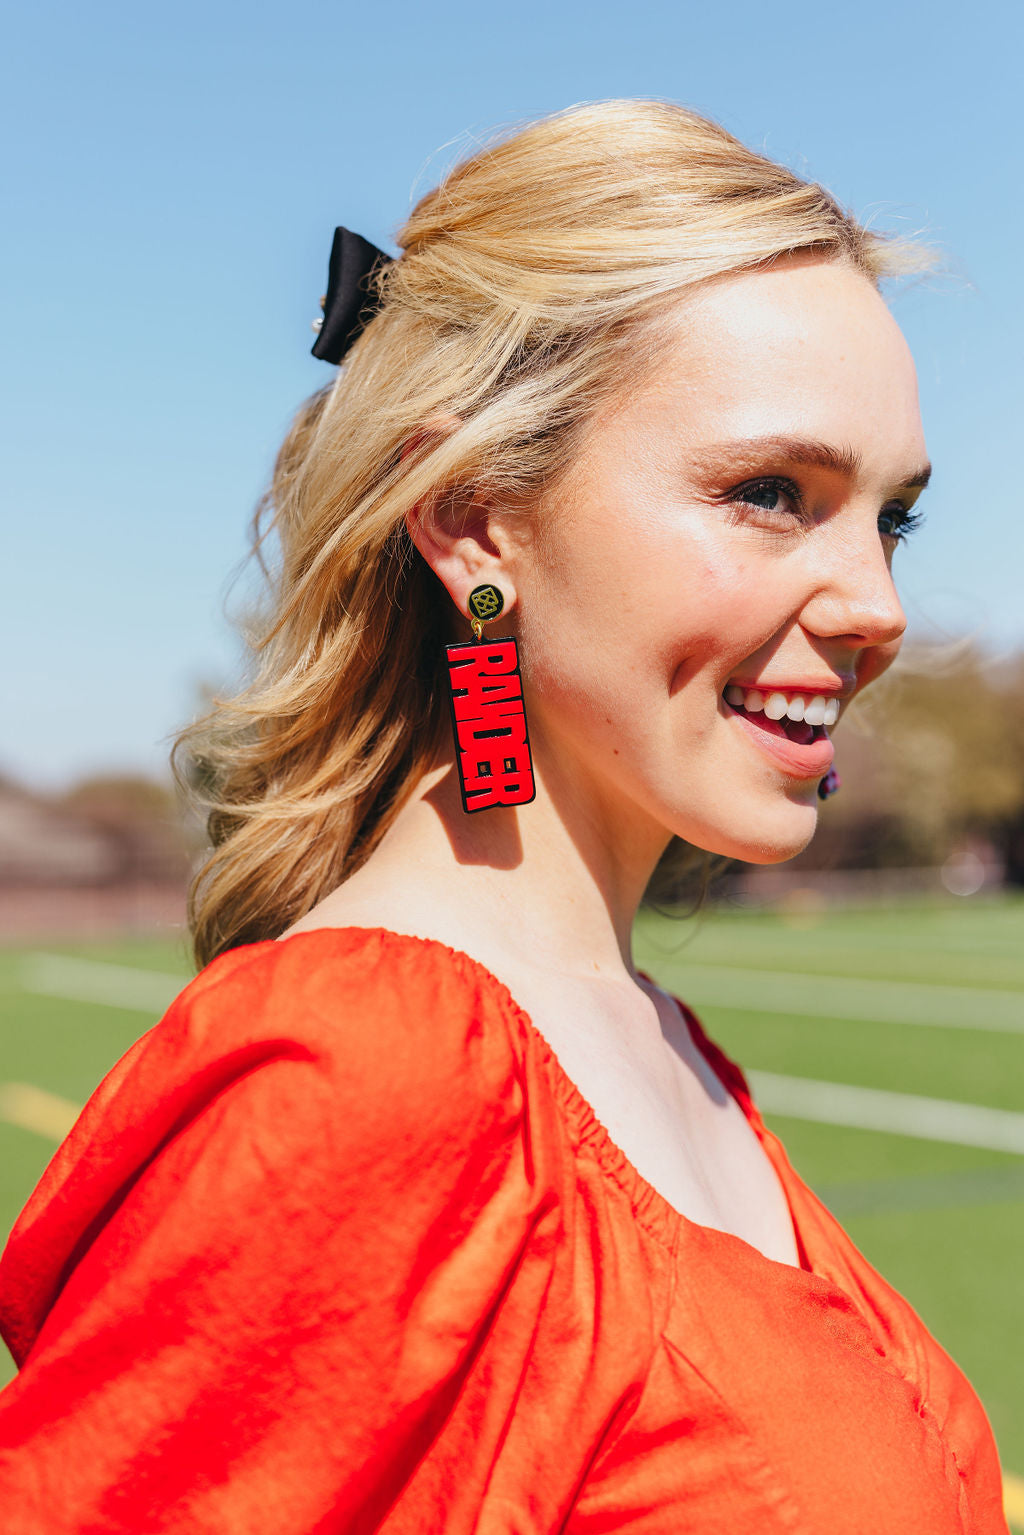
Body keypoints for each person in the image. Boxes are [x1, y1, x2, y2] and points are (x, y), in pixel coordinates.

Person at [0, 100, 1009, 1532]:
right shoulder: (373, 1071)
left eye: (889, 517)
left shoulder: (655, 1037)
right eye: (772, 493)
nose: (877, 608)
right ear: (476, 522)